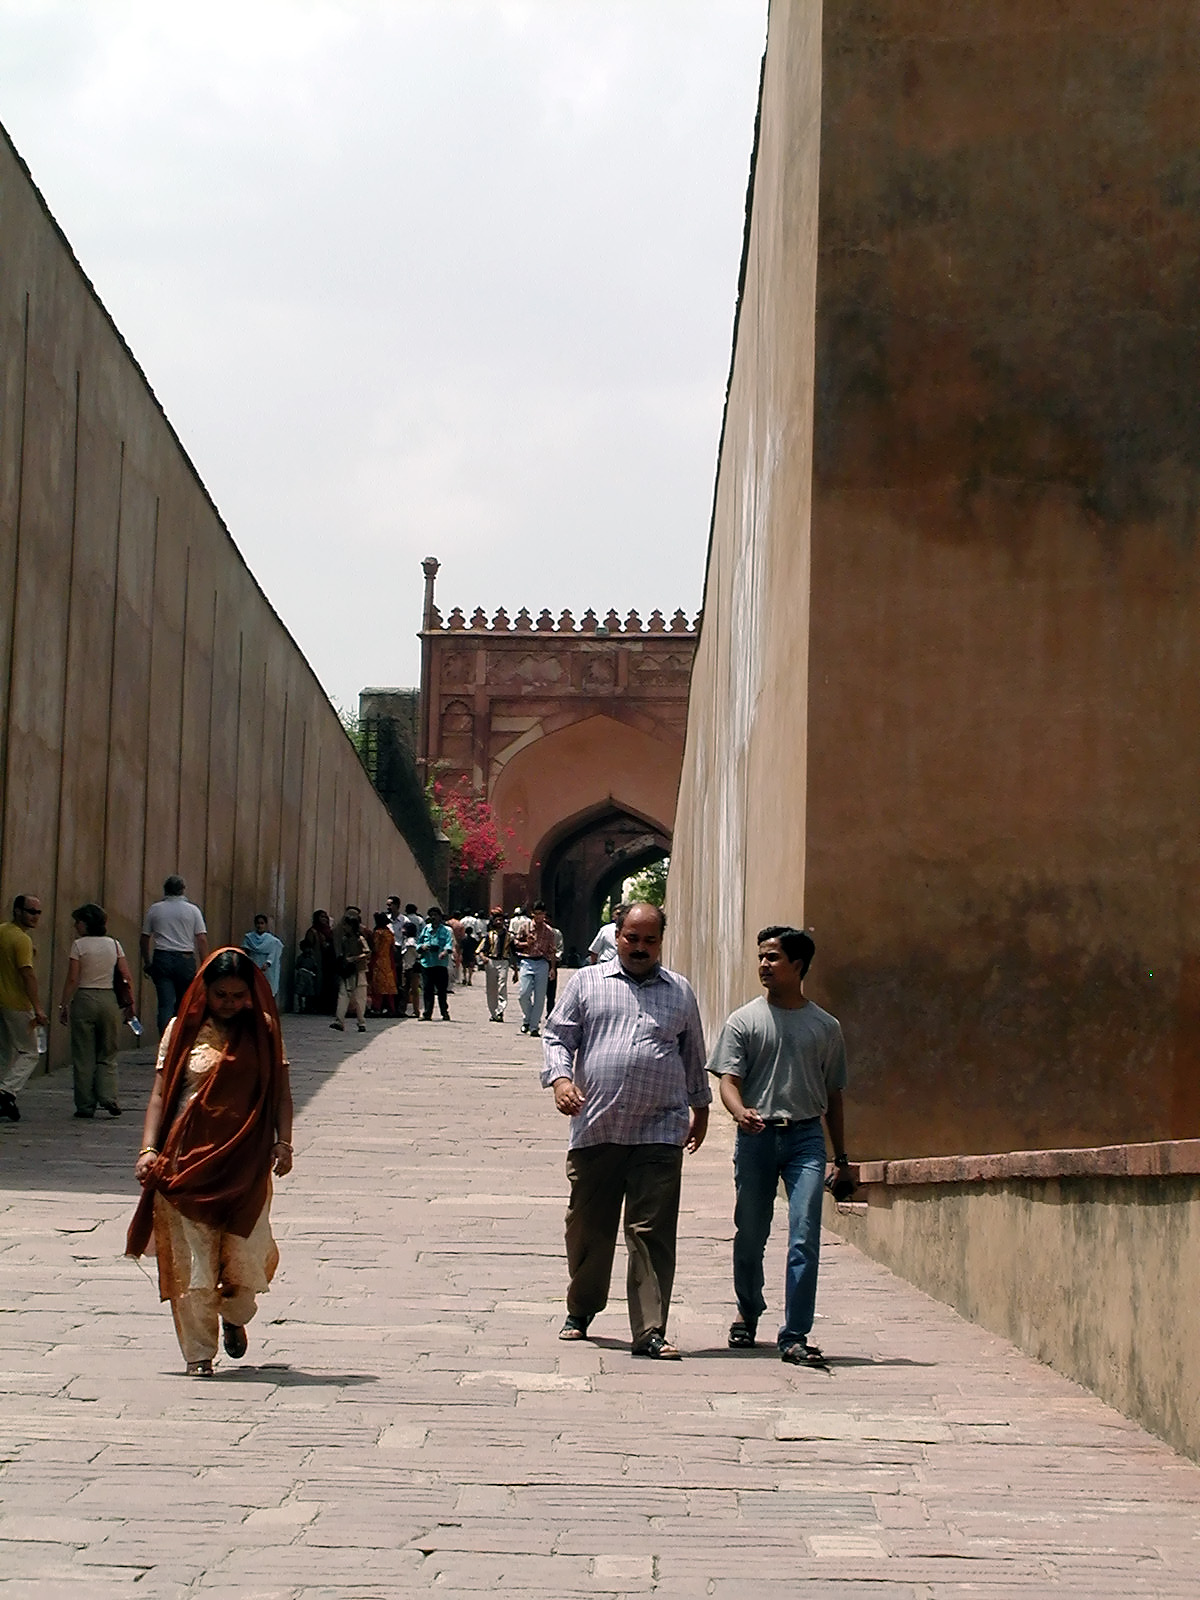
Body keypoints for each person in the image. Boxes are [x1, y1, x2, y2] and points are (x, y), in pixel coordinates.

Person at [541, 902, 709, 1359]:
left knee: (651, 1231)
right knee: (588, 1229)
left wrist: (701, 1108)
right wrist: (561, 1080)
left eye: (649, 940)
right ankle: (582, 1307)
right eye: (632, 938)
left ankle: (650, 1330)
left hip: (660, 1128)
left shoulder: (679, 991)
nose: (639, 947)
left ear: (660, 942)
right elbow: (557, 1036)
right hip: (598, 1126)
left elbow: (693, 1053)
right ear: (617, 937)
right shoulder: (587, 983)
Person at [126, 949, 293, 1376]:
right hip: (186, 1160)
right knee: (192, 1258)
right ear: (205, 990)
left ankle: (235, 1313)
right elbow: (160, 1094)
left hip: (245, 1161)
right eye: (221, 995)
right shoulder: (180, 1031)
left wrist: (284, 1143)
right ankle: (198, 1353)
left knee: (244, 1254)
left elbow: (281, 1093)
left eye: (238, 996)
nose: (230, 1004)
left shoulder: (264, 1030)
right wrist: (148, 1150)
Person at [709, 924, 849, 1367]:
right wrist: (739, 1112)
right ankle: (748, 1309)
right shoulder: (744, 1021)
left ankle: (795, 1334)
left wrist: (841, 1157)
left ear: (798, 965)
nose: (764, 965)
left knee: (805, 1234)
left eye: (773, 957)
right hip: (757, 1137)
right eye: (761, 957)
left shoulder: (825, 1027)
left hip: (806, 1139)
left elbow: (834, 1095)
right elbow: (728, 1081)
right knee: (751, 1234)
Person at [58, 902, 137, 1119]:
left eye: (78, 921)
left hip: (84, 998)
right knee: (108, 1052)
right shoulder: (114, 945)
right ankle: (108, 1096)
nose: (75, 925)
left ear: (86, 923)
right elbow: (126, 976)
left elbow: (73, 978)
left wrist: (64, 1004)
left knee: (83, 1055)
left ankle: (85, 1105)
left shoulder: (79, 946)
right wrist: (130, 1004)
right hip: (108, 999)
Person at [140, 876, 209, 1037]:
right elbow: (201, 939)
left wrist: (147, 962)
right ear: (183, 890)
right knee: (184, 1003)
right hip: (185, 959)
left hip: (162, 957)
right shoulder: (193, 910)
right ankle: (180, 1040)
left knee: (165, 1004)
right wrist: (205, 964)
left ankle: (165, 1041)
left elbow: (144, 938)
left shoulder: (155, 909)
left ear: (165, 890)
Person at [0, 895, 48, 1122]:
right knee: (30, 1052)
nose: (35, 917)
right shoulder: (22, 940)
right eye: (31, 911)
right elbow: (27, 975)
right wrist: (38, 1008)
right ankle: (6, 1091)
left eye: (38, 912)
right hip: (17, 1003)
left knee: (4, 1051)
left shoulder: (3, 931)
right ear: (18, 911)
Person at [332, 907, 370, 1032]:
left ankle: (361, 1022)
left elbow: (367, 952)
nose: (344, 927)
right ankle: (339, 1021)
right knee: (343, 995)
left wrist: (354, 958)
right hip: (347, 971)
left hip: (359, 970)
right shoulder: (345, 939)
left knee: (360, 998)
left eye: (346, 925)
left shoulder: (360, 939)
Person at [416, 906, 454, 1020]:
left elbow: (449, 944)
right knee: (427, 989)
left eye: (435, 915)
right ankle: (427, 1013)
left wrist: (444, 952)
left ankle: (444, 1012)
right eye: (431, 915)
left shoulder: (446, 930)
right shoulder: (426, 929)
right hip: (427, 963)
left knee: (442, 990)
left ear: (440, 917)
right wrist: (422, 947)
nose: (433, 917)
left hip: (440, 964)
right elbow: (419, 943)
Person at [300, 910, 338, 1014]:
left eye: (325, 917)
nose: (324, 919)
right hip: (317, 962)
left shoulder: (329, 931)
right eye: (321, 917)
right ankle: (312, 1006)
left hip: (329, 962)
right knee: (315, 984)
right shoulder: (313, 931)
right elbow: (307, 945)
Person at [242, 915, 284, 999]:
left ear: (266, 924)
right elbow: (245, 951)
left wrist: (268, 963)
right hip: (253, 965)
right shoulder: (249, 938)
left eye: (262, 923)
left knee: (266, 989)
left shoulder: (272, 940)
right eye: (258, 923)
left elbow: (274, 952)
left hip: (267, 969)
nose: (260, 926)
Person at [480, 909, 509, 1022]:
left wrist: (516, 970)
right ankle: (494, 1013)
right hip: (491, 962)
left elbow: (513, 952)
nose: (499, 922)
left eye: (501, 920)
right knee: (491, 989)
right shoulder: (489, 935)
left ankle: (500, 1009)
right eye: (497, 920)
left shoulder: (509, 936)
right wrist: (483, 958)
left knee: (502, 985)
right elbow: (481, 950)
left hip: (503, 961)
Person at [368, 912, 398, 1016]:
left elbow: (375, 948)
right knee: (388, 986)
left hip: (378, 961)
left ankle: (377, 1008)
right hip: (388, 961)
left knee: (377, 986)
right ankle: (391, 1008)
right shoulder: (389, 933)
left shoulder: (378, 933)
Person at [399, 920, 421, 1017]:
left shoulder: (410, 942)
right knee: (406, 990)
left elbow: (416, 953)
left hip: (412, 968)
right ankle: (404, 1010)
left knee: (413, 990)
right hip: (407, 967)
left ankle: (416, 1011)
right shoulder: (406, 941)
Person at [460, 917, 479, 986]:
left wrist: (461, 955)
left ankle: (464, 978)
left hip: (464, 954)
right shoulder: (474, 940)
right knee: (471, 968)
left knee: (464, 968)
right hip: (471, 954)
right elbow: (476, 947)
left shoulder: (463, 940)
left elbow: (461, 948)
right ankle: (469, 980)